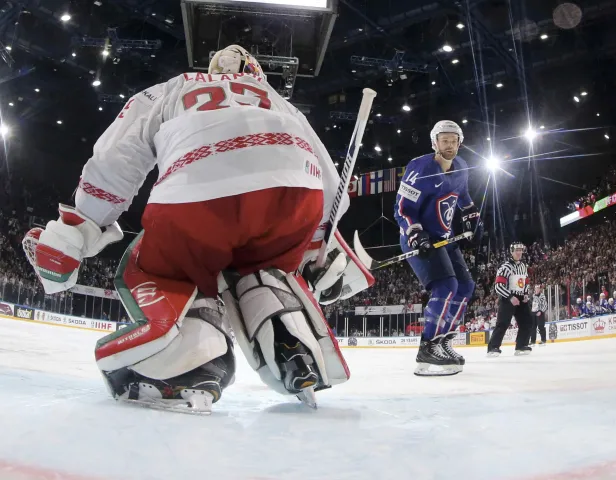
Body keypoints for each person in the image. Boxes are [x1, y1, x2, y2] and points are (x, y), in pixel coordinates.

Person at [22, 45, 373, 413]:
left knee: (164, 267)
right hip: (296, 193)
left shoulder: (174, 87)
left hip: (202, 184)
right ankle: (292, 338)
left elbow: (118, 157)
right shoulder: (278, 101)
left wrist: (82, 223)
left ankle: (190, 363)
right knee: (262, 269)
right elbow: (332, 188)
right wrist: (318, 246)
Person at [393, 120, 480, 377]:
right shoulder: (420, 167)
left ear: (459, 142)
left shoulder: (462, 167)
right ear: (435, 142)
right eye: (445, 140)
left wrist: (471, 214)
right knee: (446, 286)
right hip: (418, 237)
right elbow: (402, 208)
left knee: (465, 286)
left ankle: (443, 341)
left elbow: (463, 196)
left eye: (454, 140)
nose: (450, 145)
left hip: (445, 237)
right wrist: (415, 232)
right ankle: (427, 347)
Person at [487, 242, 532, 357]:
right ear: (511, 252)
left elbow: (526, 281)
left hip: (521, 298)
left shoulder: (523, 266)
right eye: (516, 250)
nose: (519, 253)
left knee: (526, 322)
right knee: (503, 323)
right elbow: (498, 286)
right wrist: (510, 297)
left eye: (520, 250)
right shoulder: (505, 267)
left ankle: (521, 345)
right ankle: (493, 347)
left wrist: (526, 293)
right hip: (508, 298)